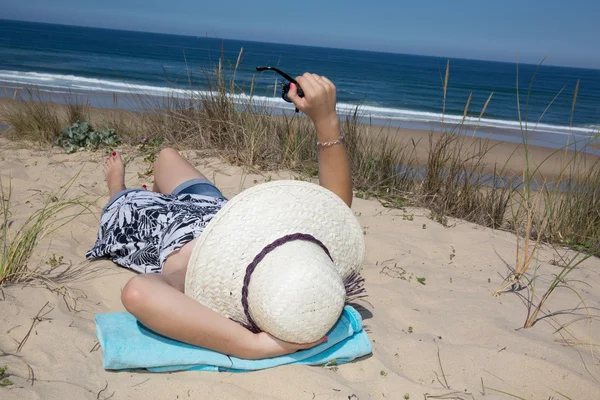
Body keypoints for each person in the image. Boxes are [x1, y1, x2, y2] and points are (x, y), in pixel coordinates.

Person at [87, 73, 353, 359]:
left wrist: (254, 347)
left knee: (125, 203)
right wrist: (325, 120)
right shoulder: (293, 255)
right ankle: (157, 196)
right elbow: (335, 208)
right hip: (214, 206)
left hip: (156, 224)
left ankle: (119, 187)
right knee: (166, 155)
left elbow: (138, 294)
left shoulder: (193, 273)